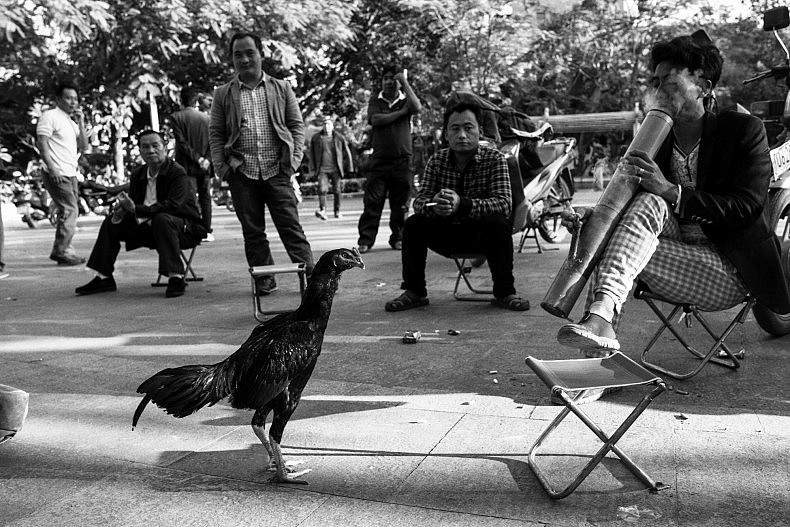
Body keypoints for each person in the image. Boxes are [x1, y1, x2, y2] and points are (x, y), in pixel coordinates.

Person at [556, 33, 790, 358]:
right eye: (655, 81)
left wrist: (672, 191)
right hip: (670, 254)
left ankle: (596, 356)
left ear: (704, 87)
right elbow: (627, 205)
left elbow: (747, 208)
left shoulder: (744, 131)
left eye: (669, 80)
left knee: (639, 214)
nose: (658, 90)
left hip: (728, 268)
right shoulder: (655, 138)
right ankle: (601, 316)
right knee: (645, 203)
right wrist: (590, 220)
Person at [384, 102, 530, 312]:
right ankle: (414, 291)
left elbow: (503, 204)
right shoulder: (437, 160)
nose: (462, 135)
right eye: (455, 129)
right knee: (414, 223)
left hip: (481, 236)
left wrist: (462, 204)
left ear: (480, 131)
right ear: (446, 134)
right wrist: (435, 204)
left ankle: (505, 292)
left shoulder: (495, 159)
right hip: (447, 234)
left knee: (497, 222)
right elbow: (419, 202)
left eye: (468, 128)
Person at [209, 32, 313, 294]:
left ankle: (315, 279)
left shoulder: (282, 88)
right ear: (232, 59)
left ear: (261, 54)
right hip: (241, 172)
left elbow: (296, 126)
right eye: (238, 54)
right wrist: (222, 168)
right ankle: (265, 279)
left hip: (277, 169)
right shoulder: (223, 94)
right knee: (253, 232)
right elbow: (216, 133)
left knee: (291, 228)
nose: (244, 59)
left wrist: (294, 160)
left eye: (249, 52)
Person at [75, 130, 205, 298]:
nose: (150, 150)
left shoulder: (177, 172)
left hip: (184, 229)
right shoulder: (138, 174)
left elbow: (173, 206)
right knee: (111, 222)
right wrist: (122, 211)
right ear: (141, 152)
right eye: (145, 147)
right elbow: (134, 204)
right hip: (149, 228)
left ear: (165, 148)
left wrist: (136, 209)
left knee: (162, 218)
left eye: (155, 146)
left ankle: (176, 277)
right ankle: (103, 277)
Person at [357, 67, 421, 253]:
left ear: (400, 81)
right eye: (386, 78)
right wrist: (402, 113)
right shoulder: (375, 101)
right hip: (379, 162)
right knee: (372, 202)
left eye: (393, 79)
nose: (389, 82)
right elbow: (376, 120)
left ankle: (398, 238)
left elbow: (416, 107)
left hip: (403, 161)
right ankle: (366, 240)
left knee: (401, 204)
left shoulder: (406, 100)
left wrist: (405, 81)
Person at [36, 81, 89, 266]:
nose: (72, 102)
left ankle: (66, 250)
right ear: (58, 99)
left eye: (75, 99)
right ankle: (60, 251)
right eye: (68, 98)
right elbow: (41, 143)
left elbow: (84, 146)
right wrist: (52, 168)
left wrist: (81, 122)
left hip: (71, 172)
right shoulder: (49, 116)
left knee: (68, 212)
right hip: (57, 172)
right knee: (70, 209)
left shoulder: (70, 121)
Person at [168, 86, 213, 238]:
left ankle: (195, 229)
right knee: (205, 196)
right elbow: (213, 141)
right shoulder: (207, 118)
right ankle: (207, 229)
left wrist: (197, 158)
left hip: (186, 166)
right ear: (196, 101)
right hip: (205, 165)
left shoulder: (176, 117)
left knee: (191, 197)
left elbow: (181, 143)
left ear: (181, 100)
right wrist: (206, 159)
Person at [309, 116, 354, 220]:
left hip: (336, 169)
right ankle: (322, 210)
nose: (326, 126)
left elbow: (347, 153)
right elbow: (311, 154)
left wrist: (350, 167)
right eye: (324, 124)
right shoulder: (316, 138)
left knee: (337, 190)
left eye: (328, 124)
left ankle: (337, 211)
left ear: (332, 126)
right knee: (322, 189)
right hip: (322, 169)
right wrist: (312, 169)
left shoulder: (339, 137)